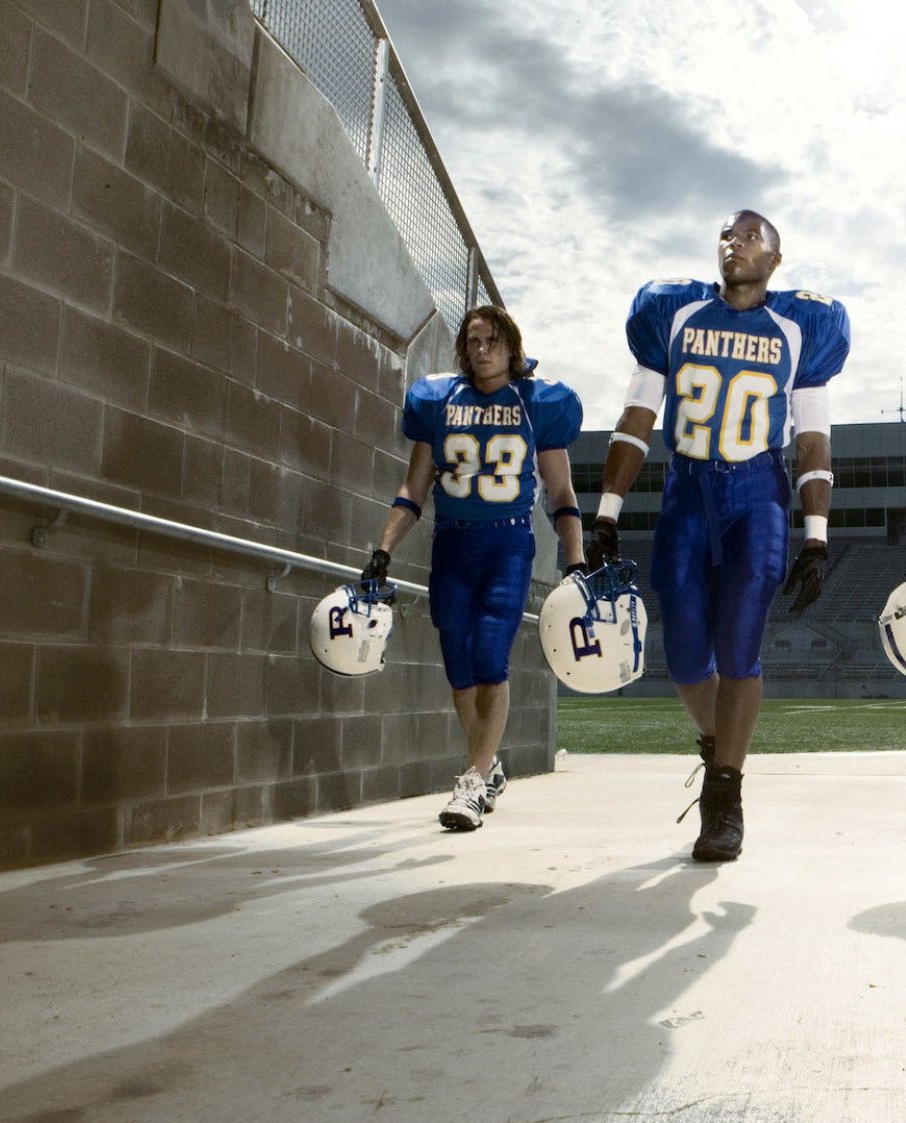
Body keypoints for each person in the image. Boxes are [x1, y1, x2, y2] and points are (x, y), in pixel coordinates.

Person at [587, 210, 851, 862]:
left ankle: (724, 794)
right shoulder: (673, 312)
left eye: (752, 235)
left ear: (777, 259)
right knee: (681, 655)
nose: (736, 242)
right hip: (686, 491)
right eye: (728, 234)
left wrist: (816, 535)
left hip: (756, 495)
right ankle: (717, 744)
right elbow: (637, 416)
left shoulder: (801, 326)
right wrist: (606, 511)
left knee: (739, 644)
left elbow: (814, 439)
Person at [361, 306, 584, 832]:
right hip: (451, 544)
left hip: (508, 544)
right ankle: (487, 767)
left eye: (491, 340)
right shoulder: (440, 401)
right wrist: (383, 550)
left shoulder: (537, 403)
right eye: (473, 340)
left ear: (511, 344)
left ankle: (470, 784)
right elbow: (414, 486)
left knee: (489, 655)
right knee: (459, 667)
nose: (481, 349)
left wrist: (576, 558)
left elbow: (561, 491)